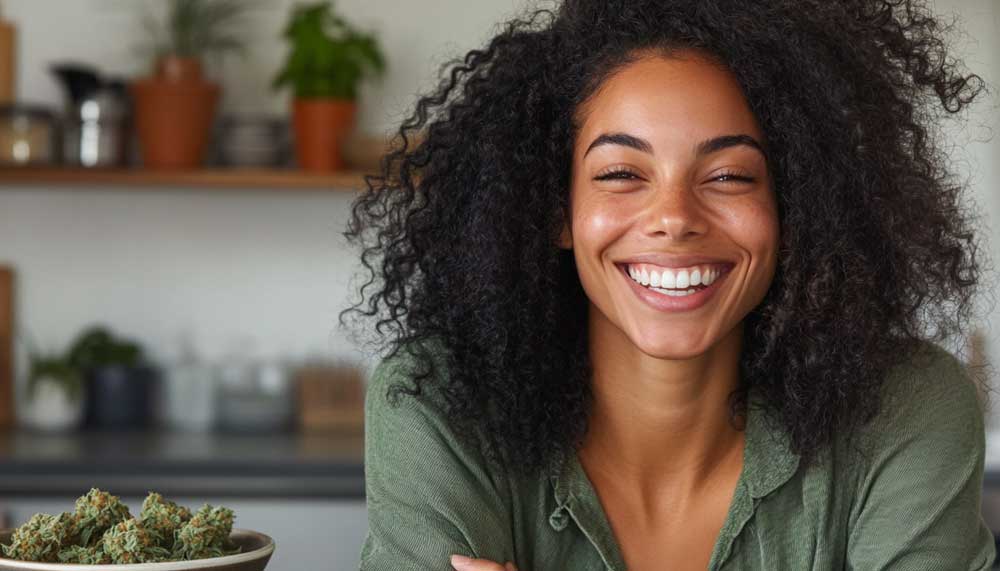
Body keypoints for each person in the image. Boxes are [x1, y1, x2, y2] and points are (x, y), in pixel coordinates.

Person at [339, 0, 997, 569]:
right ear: (554, 210)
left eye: (730, 175)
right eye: (622, 173)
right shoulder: (440, 405)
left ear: (795, 206)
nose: (675, 218)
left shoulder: (906, 410)